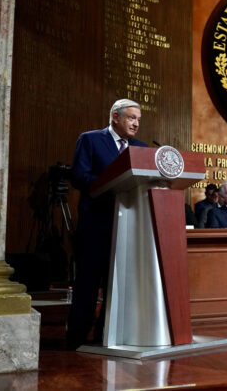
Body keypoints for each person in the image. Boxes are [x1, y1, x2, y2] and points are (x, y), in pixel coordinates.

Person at [67, 99, 147, 349]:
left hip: (128, 227)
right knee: (88, 284)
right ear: (115, 116)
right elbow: (79, 176)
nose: (135, 124)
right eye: (131, 118)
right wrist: (111, 183)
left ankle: (107, 337)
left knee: (117, 286)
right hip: (96, 225)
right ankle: (76, 339)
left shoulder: (141, 148)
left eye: (138, 120)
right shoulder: (90, 139)